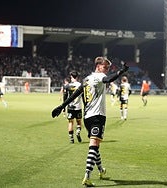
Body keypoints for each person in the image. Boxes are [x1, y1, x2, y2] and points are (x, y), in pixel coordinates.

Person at [51, 56, 128, 186]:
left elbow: (76, 94)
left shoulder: (86, 79)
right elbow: (109, 79)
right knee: (93, 145)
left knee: (95, 144)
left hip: (87, 117)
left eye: (108, 68)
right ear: (98, 67)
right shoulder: (99, 77)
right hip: (98, 116)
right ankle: (87, 175)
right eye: (105, 67)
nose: (107, 70)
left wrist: (62, 106)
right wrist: (121, 71)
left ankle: (101, 170)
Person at [64, 71, 83, 143]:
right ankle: (78, 131)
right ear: (77, 77)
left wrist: (63, 107)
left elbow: (65, 97)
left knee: (70, 122)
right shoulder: (81, 85)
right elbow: (84, 97)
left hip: (70, 107)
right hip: (78, 107)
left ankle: (71, 138)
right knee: (79, 122)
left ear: (71, 76)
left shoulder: (67, 86)